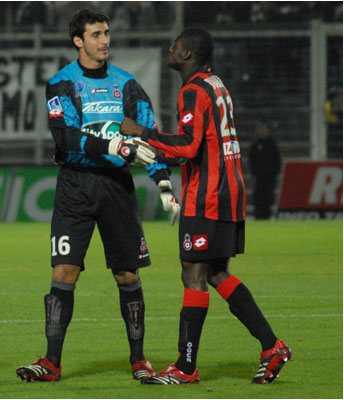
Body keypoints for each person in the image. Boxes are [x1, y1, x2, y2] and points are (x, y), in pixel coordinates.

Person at [16, 9, 180, 384]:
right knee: (64, 270)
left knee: (126, 273)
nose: (104, 40)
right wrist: (115, 146)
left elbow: (148, 138)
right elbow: (66, 137)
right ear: (78, 41)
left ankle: (139, 360)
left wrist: (164, 183)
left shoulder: (129, 85)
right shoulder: (61, 84)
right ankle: (52, 362)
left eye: (106, 33)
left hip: (116, 188)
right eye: (95, 34)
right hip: (75, 186)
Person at [121, 28, 291, 385]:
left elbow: (187, 146)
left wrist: (142, 134)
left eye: (175, 46)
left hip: (207, 195)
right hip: (228, 189)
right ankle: (271, 346)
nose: (170, 49)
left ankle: (185, 368)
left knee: (193, 273)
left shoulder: (194, 89)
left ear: (187, 55)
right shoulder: (215, 83)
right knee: (215, 273)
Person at [249, 120, 281, 219]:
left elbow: (277, 161)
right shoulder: (255, 144)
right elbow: (252, 160)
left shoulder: (272, 144)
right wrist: (255, 172)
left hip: (269, 178)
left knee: (268, 198)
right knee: (258, 198)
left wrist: (273, 173)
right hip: (259, 178)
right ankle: (258, 216)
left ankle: (266, 216)